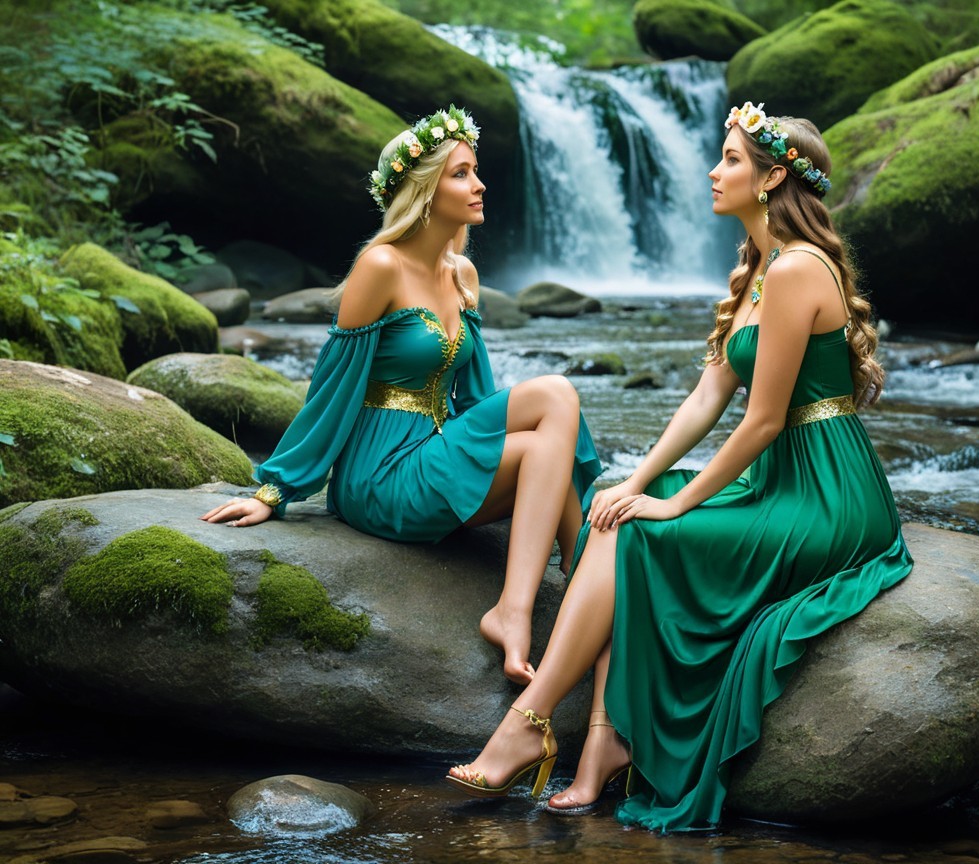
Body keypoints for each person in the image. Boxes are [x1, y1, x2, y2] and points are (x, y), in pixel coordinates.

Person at [445, 104, 914, 832]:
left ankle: (531, 726)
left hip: (827, 496)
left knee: (643, 529)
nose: (713, 170)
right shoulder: (760, 267)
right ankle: (593, 742)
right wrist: (637, 482)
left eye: (730, 158)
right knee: (613, 508)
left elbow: (761, 422)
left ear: (773, 177)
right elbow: (707, 397)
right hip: (784, 479)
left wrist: (675, 502)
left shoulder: (795, 269)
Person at [201, 106, 601, 686]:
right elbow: (332, 388)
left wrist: (493, 455)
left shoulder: (462, 272)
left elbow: (477, 394)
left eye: (476, 171)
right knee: (557, 394)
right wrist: (275, 489)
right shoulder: (379, 266)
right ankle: (549, 591)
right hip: (381, 473)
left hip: (436, 450)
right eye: (461, 173)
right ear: (423, 189)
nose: (480, 184)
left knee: (548, 447)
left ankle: (571, 582)